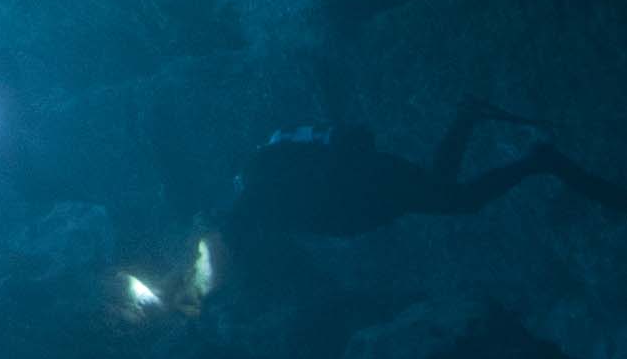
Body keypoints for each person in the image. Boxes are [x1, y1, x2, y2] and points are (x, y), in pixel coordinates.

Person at [219, 101, 626, 262]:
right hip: (375, 188)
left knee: (459, 200)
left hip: (374, 181)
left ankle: (539, 160)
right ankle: (475, 120)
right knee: (448, 189)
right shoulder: (265, 189)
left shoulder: (266, 184)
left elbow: (327, 197)